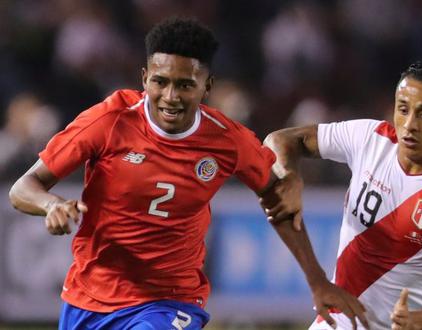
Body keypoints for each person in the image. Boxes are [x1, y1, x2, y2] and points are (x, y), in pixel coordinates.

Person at [8, 17, 368, 330]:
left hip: (170, 302)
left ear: (206, 86)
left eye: (184, 85)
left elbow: (279, 201)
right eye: (160, 82)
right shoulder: (108, 121)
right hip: (88, 296)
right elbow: (24, 187)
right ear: (145, 77)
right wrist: (50, 203)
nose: (170, 96)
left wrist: (318, 281)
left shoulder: (227, 141)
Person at [262, 59, 422, 329]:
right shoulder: (370, 138)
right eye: (403, 109)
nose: (409, 124)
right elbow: (280, 139)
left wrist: (416, 321)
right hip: (339, 322)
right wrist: (290, 175)